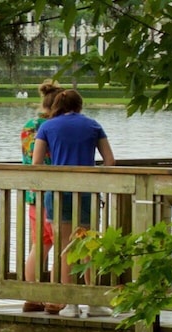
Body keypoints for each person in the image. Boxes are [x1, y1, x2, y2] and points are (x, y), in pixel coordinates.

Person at [32, 89, 116, 317]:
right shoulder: (93, 125)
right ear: (80, 105)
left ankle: (70, 304)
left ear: (58, 105)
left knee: (65, 247)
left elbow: (37, 162)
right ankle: (94, 302)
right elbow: (109, 161)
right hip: (86, 192)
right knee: (88, 246)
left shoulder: (47, 127)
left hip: (59, 193)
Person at [20, 81, 64, 313]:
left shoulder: (29, 125)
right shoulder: (54, 126)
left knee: (40, 246)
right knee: (63, 246)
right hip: (55, 193)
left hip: (33, 193)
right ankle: (57, 298)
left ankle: (33, 296)